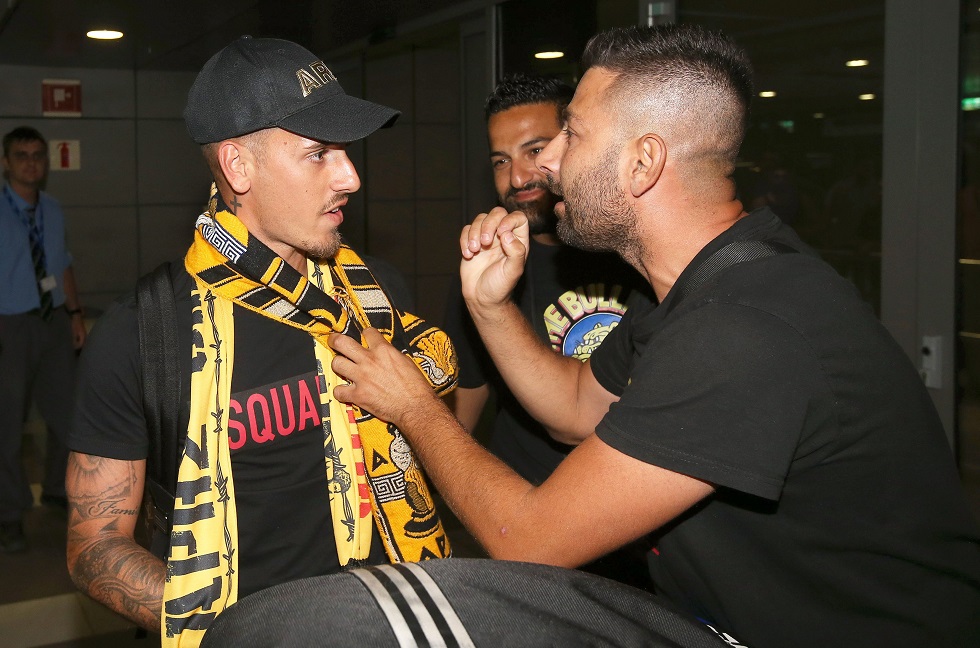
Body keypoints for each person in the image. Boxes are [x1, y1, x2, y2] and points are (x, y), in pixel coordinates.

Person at [327, 24, 980, 648]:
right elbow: (575, 408)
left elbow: (529, 539)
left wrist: (415, 406)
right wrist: (491, 308)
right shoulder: (702, 286)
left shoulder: (743, 329)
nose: (546, 161)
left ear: (643, 163)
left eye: (573, 134)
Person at [66, 36, 457, 647]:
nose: (351, 176)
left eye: (345, 151)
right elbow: (94, 547)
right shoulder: (143, 333)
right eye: (318, 153)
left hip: (402, 620)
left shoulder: (376, 295)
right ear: (237, 167)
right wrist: (242, 631)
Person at [445, 73, 651, 484]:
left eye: (535, 150)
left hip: (639, 497)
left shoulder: (641, 256)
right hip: (525, 496)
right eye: (501, 161)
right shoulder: (486, 267)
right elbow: (462, 411)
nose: (518, 178)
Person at [0, 126, 86, 553]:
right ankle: (9, 513)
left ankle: (57, 490)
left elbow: (61, 263)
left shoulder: (51, 208)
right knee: (7, 424)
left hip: (52, 321)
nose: (31, 162)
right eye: (21, 155)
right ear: (6, 163)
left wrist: (74, 313)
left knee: (68, 414)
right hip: (9, 325)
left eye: (37, 155)